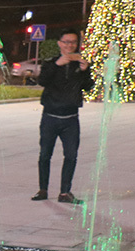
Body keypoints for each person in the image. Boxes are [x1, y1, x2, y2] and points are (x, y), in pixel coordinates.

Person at [32, 28, 95, 204]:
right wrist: (57, 65)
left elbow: (88, 87)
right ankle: (43, 190)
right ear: (60, 43)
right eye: (66, 42)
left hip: (71, 119)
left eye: (73, 42)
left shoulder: (80, 63)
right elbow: (43, 81)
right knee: (45, 154)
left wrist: (85, 70)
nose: (70, 45)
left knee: (71, 155)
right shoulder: (50, 63)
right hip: (50, 117)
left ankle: (65, 192)